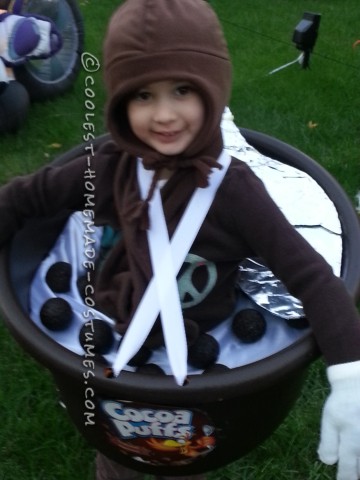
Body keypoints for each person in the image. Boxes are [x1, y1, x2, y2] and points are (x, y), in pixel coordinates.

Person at [0, 0, 360, 479]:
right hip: (109, 325)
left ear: (213, 91)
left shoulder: (235, 193)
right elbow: (26, 198)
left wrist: (350, 375)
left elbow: (309, 274)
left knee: (188, 455)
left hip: (201, 343)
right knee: (119, 459)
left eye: (183, 89)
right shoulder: (109, 170)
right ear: (120, 101)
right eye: (142, 95)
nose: (164, 114)